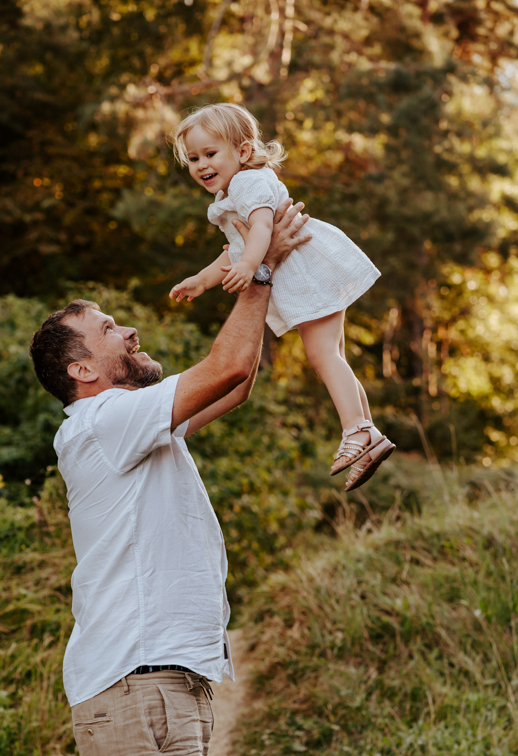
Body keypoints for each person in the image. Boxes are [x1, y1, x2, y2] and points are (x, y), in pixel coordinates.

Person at [28, 199, 310, 756]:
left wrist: (269, 262)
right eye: (108, 329)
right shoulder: (102, 422)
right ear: (82, 370)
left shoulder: (130, 425)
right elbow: (220, 368)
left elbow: (236, 380)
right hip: (138, 688)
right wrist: (254, 265)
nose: (129, 331)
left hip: (154, 687)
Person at [169, 102, 395, 492]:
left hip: (308, 273)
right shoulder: (235, 190)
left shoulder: (247, 183)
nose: (201, 164)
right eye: (193, 158)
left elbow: (260, 230)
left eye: (210, 153)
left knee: (323, 356)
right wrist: (203, 280)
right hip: (310, 273)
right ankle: (366, 434)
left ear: (242, 151)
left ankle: (357, 431)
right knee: (332, 356)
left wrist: (250, 266)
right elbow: (236, 248)